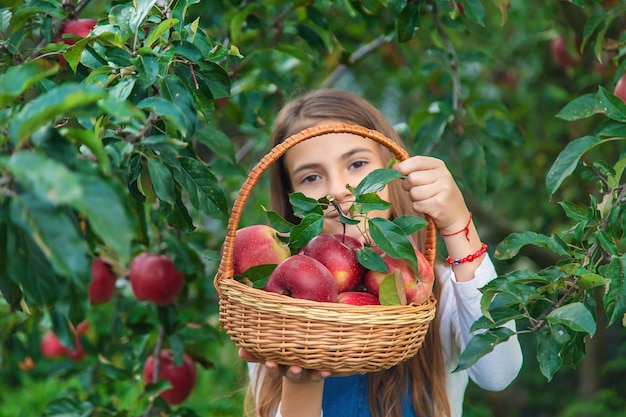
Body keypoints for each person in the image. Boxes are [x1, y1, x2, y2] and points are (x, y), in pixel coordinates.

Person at [239, 88, 523, 417]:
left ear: (395, 176)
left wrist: (457, 222)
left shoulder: (435, 294)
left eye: (357, 164)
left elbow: (499, 372)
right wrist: (302, 379)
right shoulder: (277, 310)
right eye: (312, 176)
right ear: (292, 200)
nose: (336, 190)